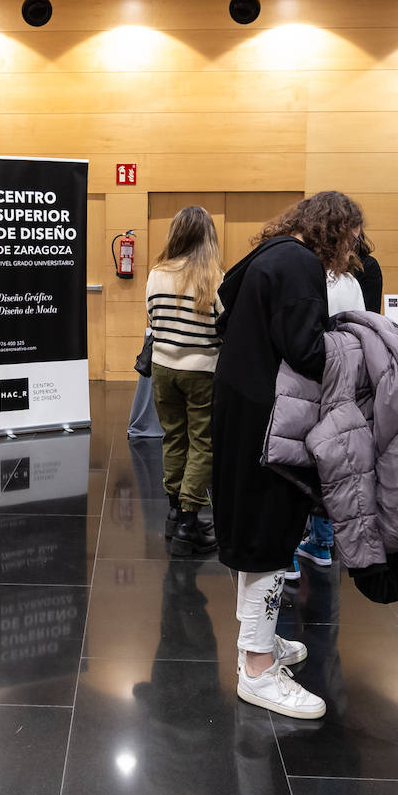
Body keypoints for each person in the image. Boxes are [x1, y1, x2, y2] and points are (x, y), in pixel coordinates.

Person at [214, 191, 367, 720]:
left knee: (253, 533)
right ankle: (257, 669)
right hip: (271, 425)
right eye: (351, 240)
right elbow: (306, 349)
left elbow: (223, 318)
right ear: (338, 231)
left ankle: (259, 643)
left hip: (240, 413)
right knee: (270, 541)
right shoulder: (301, 265)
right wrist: (359, 342)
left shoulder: (264, 254)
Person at [145, 205, 222, 556]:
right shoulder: (213, 277)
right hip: (201, 370)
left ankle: (175, 514)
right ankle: (190, 523)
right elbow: (224, 328)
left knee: (173, 437)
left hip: (163, 368)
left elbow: (151, 317)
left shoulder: (156, 273)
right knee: (202, 442)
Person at [284, 268, 364, 583]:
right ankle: (322, 543)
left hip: (300, 381)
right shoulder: (350, 281)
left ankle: (287, 553)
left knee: (292, 461)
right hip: (341, 380)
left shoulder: (298, 275)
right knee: (330, 461)